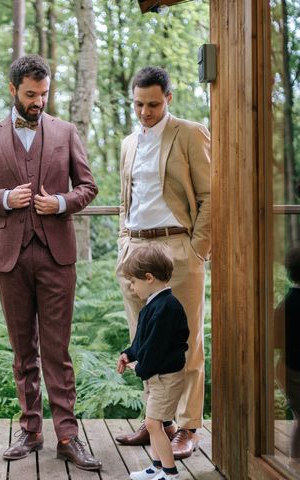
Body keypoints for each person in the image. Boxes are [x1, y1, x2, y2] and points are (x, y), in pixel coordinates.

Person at [0, 54, 101, 471]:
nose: (39, 101)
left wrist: (60, 202)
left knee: (57, 351)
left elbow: (88, 186)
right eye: (30, 94)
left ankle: (68, 436)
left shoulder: (67, 131)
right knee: (24, 351)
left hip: (57, 254)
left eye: (44, 93)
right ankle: (30, 429)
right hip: (10, 257)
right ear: (13, 90)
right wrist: (4, 199)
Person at [114, 66, 211, 459]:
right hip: (135, 252)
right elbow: (126, 202)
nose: (144, 112)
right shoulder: (127, 143)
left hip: (177, 250)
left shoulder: (189, 133)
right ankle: (158, 422)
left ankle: (188, 427)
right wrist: (123, 243)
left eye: (153, 104)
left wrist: (196, 249)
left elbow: (210, 195)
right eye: (138, 104)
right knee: (143, 344)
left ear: (168, 98)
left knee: (186, 344)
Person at [117, 244, 189, 480]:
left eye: (133, 281)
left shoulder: (167, 308)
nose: (131, 286)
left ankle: (170, 473)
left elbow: (155, 348)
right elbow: (142, 340)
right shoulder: (152, 305)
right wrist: (129, 354)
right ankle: (156, 467)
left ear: (149, 278)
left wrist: (140, 367)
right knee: (153, 424)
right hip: (155, 376)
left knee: (154, 424)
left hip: (166, 377)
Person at [274, 246, 300, 461]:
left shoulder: (288, 302)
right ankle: (295, 461)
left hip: (287, 368)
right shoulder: (292, 303)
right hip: (294, 370)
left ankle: (295, 461)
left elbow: (275, 339)